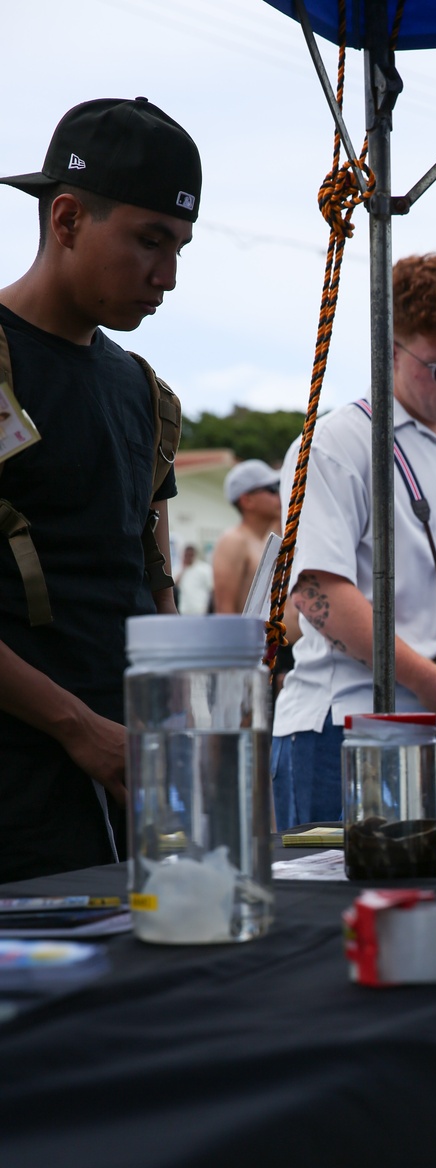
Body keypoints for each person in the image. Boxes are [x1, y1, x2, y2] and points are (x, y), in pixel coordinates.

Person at [0, 97, 200, 881]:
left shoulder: (142, 391)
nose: (169, 276)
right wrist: (77, 726)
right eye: (149, 241)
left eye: (181, 246)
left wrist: (180, 700)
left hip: (124, 780)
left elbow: (148, 573)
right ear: (69, 218)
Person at [271, 252, 436, 827]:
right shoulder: (337, 442)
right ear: (388, 350)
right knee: (336, 915)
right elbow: (315, 592)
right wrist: (432, 682)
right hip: (348, 730)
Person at [212, 458, 282, 614]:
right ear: (247, 500)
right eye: (272, 489)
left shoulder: (264, 541)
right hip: (249, 638)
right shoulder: (233, 540)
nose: (279, 494)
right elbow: (224, 610)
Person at [175, 544, 214, 615]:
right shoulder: (179, 569)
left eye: (191, 555)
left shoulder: (204, 568)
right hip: (184, 610)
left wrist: (209, 608)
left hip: (200, 609)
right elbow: (175, 586)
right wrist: (182, 569)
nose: (188, 557)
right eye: (186, 555)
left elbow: (211, 589)